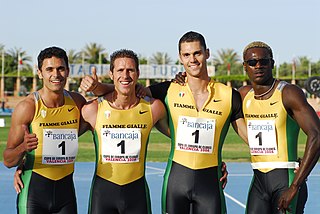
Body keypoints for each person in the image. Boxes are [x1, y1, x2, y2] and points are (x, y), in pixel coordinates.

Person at [81, 31, 246, 214]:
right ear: (180, 58)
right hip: (173, 184)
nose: (192, 59)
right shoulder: (166, 91)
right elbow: (127, 88)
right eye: (186, 54)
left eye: (197, 53)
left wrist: (215, 157)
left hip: (206, 184)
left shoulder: (228, 96)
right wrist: (98, 88)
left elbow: (131, 89)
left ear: (207, 53)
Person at [81, 49, 169, 214]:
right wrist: (24, 162)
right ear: (111, 74)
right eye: (120, 70)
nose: (125, 75)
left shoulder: (154, 108)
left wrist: (215, 160)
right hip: (103, 194)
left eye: (130, 70)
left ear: (138, 73)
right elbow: (58, 133)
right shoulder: (92, 110)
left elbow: (179, 137)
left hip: (137, 194)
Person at [3, 47, 87, 213]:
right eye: (49, 69)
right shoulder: (28, 107)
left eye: (60, 68)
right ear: (40, 73)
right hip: (34, 195)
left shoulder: (77, 102)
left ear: (68, 71)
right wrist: (23, 149)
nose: (56, 75)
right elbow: (7, 160)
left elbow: (86, 126)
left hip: (66, 194)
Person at [238, 41, 320, 214]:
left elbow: (316, 134)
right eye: (252, 62)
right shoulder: (243, 95)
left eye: (264, 61)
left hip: (287, 181)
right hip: (258, 182)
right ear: (245, 66)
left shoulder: (288, 93)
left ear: (272, 64)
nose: (258, 66)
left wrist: (295, 186)